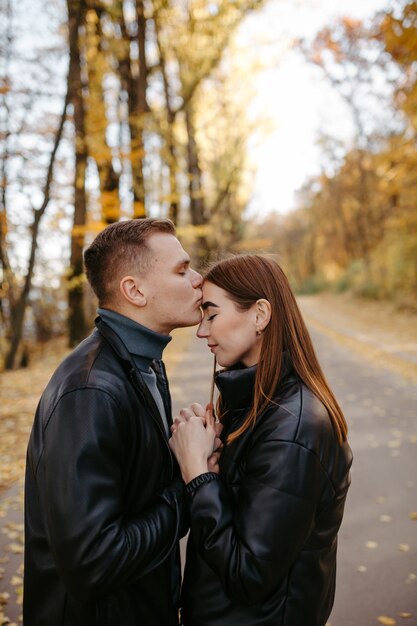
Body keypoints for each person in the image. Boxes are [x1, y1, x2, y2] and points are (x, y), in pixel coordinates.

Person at [23, 218, 204, 626]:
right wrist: (190, 487)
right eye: (181, 270)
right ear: (134, 290)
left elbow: (134, 492)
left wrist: (188, 451)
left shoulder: (143, 364)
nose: (198, 280)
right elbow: (93, 564)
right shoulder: (89, 392)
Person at [169, 254, 353, 626]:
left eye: (212, 314)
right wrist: (209, 464)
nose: (202, 332)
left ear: (260, 315)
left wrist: (197, 476)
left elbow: (248, 574)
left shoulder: (293, 428)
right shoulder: (250, 405)